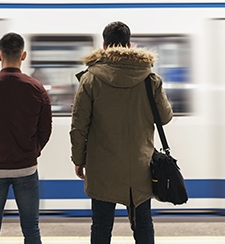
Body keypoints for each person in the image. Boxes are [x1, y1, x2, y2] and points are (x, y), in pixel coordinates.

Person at [70, 21, 173, 244]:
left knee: (101, 226)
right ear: (129, 44)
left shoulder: (90, 79)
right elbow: (164, 117)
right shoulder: (150, 79)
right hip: (140, 166)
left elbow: (79, 126)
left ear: (104, 46)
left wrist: (79, 159)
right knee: (143, 225)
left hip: (102, 168)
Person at [0, 32, 52, 244]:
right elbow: (45, 130)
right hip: (27, 169)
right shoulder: (36, 88)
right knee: (31, 229)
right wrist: (33, 151)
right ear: (23, 55)